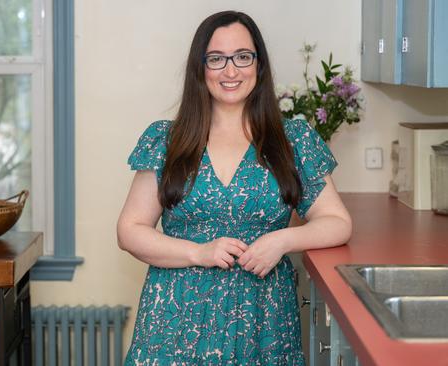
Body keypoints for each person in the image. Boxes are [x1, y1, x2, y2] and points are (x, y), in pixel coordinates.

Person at [117, 10, 352, 365]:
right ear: (201, 68)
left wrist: (283, 240)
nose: (231, 71)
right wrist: (199, 253)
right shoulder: (166, 140)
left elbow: (337, 221)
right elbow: (130, 230)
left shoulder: (294, 140)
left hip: (264, 321)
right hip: (174, 322)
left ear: (259, 64)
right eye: (217, 59)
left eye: (243, 57)